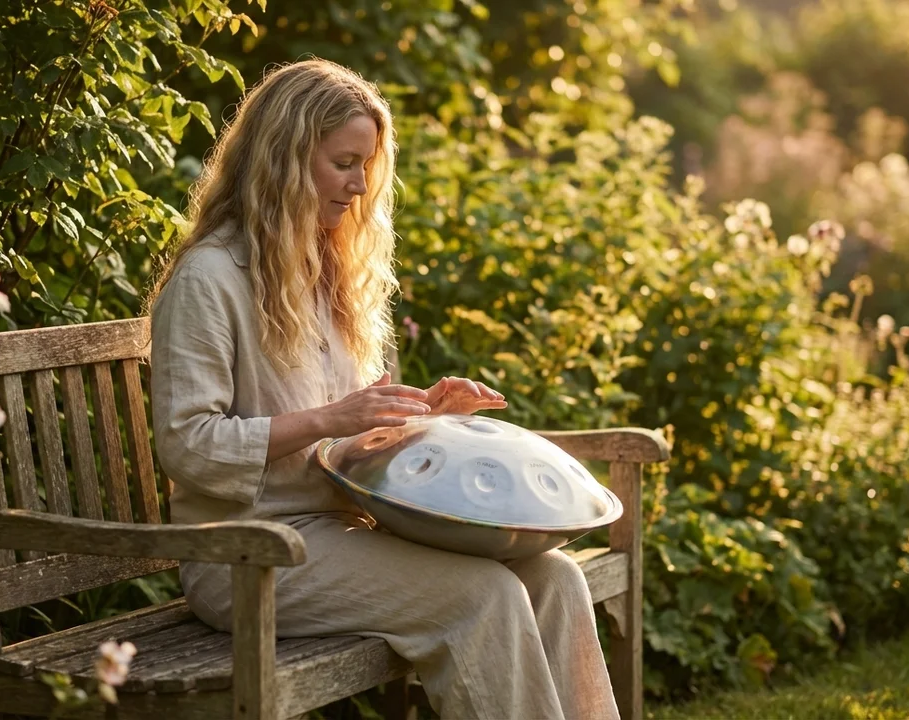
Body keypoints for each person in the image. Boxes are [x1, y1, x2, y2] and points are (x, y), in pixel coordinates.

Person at [146, 58, 619, 720]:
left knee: (555, 579)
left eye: (366, 165)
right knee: (482, 595)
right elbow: (187, 445)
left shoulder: (332, 274)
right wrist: (327, 419)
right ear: (283, 158)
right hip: (248, 554)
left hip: (345, 532)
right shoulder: (209, 279)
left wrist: (426, 419)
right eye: (344, 163)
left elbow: (354, 439)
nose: (361, 185)